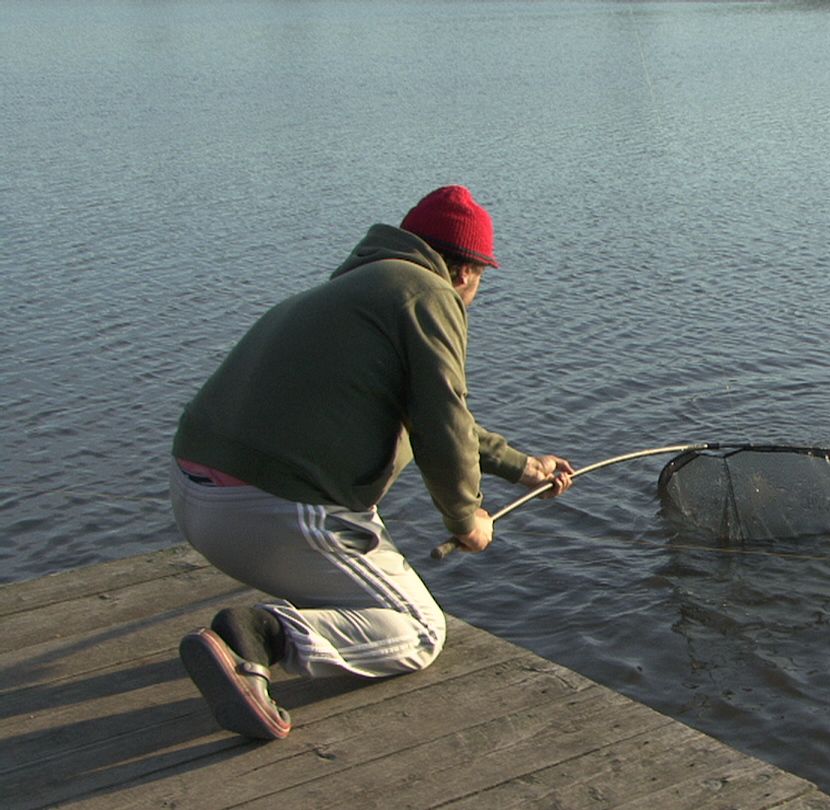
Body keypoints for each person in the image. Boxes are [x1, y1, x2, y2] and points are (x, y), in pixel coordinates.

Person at [169, 185, 573, 740]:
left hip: (197, 497)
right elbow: (441, 421)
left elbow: (436, 415)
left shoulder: (358, 290)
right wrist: (466, 517)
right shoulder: (430, 294)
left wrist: (524, 468)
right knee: (420, 630)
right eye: (481, 280)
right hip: (274, 510)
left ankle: (270, 628)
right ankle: (259, 636)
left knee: (365, 593)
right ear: (465, 272)